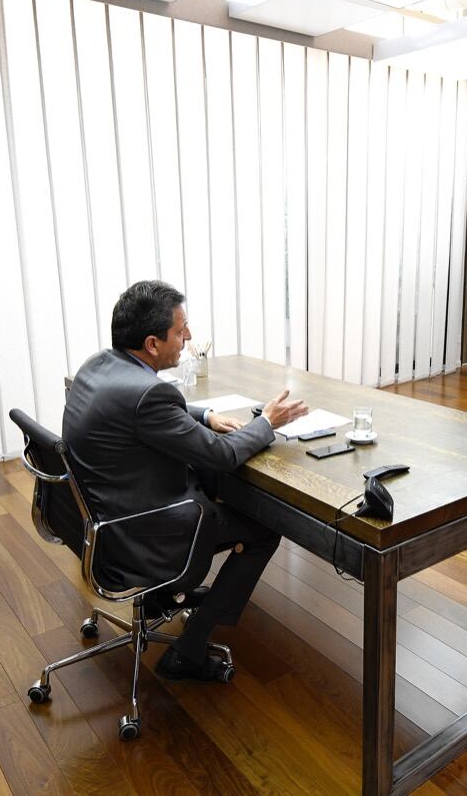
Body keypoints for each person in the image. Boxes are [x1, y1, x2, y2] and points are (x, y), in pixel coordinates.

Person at [62, 280, 308, 681]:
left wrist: (204, 416)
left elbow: (141, 402)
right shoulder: (148, 396)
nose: (189, 337)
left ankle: (161, 599)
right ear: (153, 344)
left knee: (208, 481)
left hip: (99, 520)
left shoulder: (98, 365)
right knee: (264, 528)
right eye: (181, 330)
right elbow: (224, 455)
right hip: (139, 532)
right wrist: (267, 422)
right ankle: (189, 651)